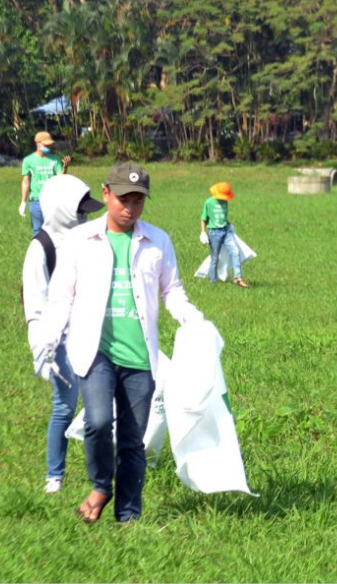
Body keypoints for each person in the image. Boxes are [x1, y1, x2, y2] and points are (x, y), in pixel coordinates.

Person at [32, 163, 210, 524]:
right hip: (94, 351)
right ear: (106, 194)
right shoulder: (79, 241)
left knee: (133, 442)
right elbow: (61, 297)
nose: (130, 208)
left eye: (138, 201)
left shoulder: (157, 241)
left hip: (140, 357)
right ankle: (101, 485)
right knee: (97, 422)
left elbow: (171, 290)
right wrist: (47, 340)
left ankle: (128, 517)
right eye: (123, 199)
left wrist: (192, 317)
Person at [21, 174, 104, 494]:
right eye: (80, 211)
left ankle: (100, 473)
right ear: (61, 210)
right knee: (65, 407)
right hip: (58, 341)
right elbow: (34, 302)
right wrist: (41, 346)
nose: (86, 217)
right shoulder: (40, 248)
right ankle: (54, 475)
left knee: (99, 408)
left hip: (92, 333)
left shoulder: (87, 240)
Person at [19, 131, 71, 237]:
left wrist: (65, 167)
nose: (48, 147)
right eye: (45, 145)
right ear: (37, 143)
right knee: (37, 231)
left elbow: (60, 178)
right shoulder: (28, 160)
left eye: (49, 145)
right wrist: (23, 202)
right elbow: (26, 181)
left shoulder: (55, 159)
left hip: (52, 200)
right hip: (36, 200)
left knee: (53, 231)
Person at [200, 181, 248, 288]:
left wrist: (229, 224)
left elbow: (223, 216)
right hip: (214, 233)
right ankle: (213, 281)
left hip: (226, 231)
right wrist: (203, 232)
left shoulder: (225, 202)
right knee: (215, 258)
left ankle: (238, 278)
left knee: (235, 252)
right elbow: (203, 218)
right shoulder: (209, 202)